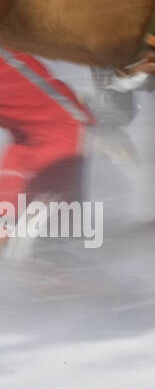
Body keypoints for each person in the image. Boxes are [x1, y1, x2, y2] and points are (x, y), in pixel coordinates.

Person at [0, 48, 94, 249]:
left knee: (29, 133)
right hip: (40, 132)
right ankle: (53, 251)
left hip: (45, 134)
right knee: (64, 119)